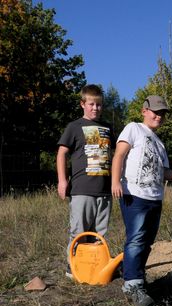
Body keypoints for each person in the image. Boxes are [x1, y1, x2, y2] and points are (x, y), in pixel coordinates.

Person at [112, 95, 172, 306]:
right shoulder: (133, 129)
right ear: (144, 110)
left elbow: (165, 173)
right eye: (155, 112)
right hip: (134, 194)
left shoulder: (160, 144)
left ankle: (136, 278)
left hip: (154, 198)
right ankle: (132, 285)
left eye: (162, 113)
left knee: (147, 241)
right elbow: (119, 155)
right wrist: (115, 181)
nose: (158, 116)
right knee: (136, 239)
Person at [57, 84, 115, 278]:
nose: (95, 108)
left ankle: (92, 268)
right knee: (79, 231)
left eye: (99, 105)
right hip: (81, 189)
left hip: (105, 190)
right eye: (91, 104)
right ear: (83, 104)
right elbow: (61, 153)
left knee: (99, 234)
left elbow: (116, 156)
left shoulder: (108, 128)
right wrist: (62, 181)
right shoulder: (74, 127)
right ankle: (72, 268)